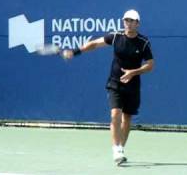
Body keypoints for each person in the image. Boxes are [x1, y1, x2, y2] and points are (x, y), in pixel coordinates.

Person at [62, 9, 154, 165]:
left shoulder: (143, 42)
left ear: (138, 24)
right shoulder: (116, 36)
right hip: (114, 83)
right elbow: (93, 44)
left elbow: (150, 65)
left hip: (132, 86)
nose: (128, 23)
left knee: (127, 119)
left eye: (132, 21)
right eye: (126, 20)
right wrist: (75, 51)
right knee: (115, 114)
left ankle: (121, 149)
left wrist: (134, 72)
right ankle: (116, 149)